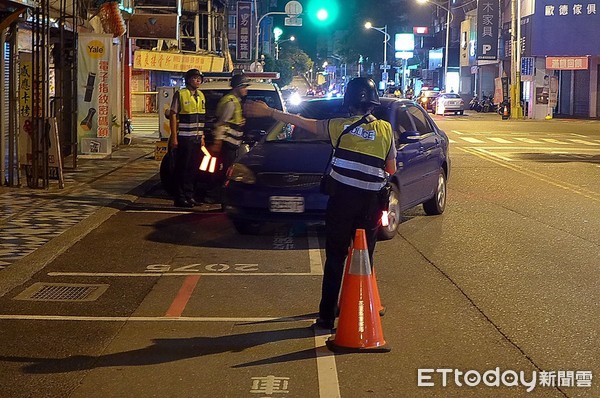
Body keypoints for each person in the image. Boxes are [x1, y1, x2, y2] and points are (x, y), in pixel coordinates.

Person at [244, 77, 396, 329]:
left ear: (349, 103)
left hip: (342, 201)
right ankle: (362, 308)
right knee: (364, 258)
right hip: (370, 203)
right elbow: (390, 168)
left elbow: (303, 122)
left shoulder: (338, 126)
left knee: (336, 257)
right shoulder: (386, 130)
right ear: (373, 104)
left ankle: (327, 315)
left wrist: (270, 112)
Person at [168, 68, 206, 208]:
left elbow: (201, 118)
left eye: (199, 79)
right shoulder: (181, 94)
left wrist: (202, 137)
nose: (198, 81)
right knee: (182, 169)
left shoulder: (201, 95)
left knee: (193, 169)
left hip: (196, 139)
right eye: (195, 78)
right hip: (184, 138)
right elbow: (173, 114)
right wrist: (174, 138)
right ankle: (180, 197)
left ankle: (189, 196)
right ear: (188, 80)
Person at [211, 73, 251, 181]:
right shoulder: (230, 102)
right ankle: (217, 193)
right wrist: (217, 142)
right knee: (226, 171)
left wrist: (240, 121)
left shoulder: (236, 100)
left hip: (233, 144)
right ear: (238, 87)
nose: (246, 89)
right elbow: (222, 123)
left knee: (229, 170)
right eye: (244, 87)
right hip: (228, 144)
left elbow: (232, 121)